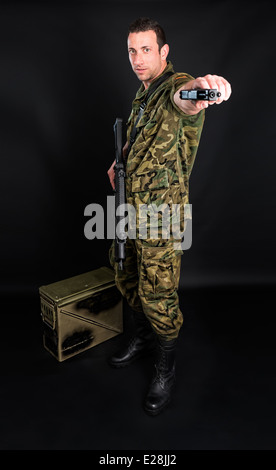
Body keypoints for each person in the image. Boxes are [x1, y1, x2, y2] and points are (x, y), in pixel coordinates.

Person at [107, 17, 231, 416]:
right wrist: (118, 160)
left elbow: (188, 98)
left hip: (162, 214)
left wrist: (206, 89)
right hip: (131, 205)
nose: (138, 59)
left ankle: (165, 369)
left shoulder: (175, 87)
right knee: (126, 273)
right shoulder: (142, 95)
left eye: (147, 50)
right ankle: (141, 339)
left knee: (158, 292)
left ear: (164, 52)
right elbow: (138, 133)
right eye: (132, 50)